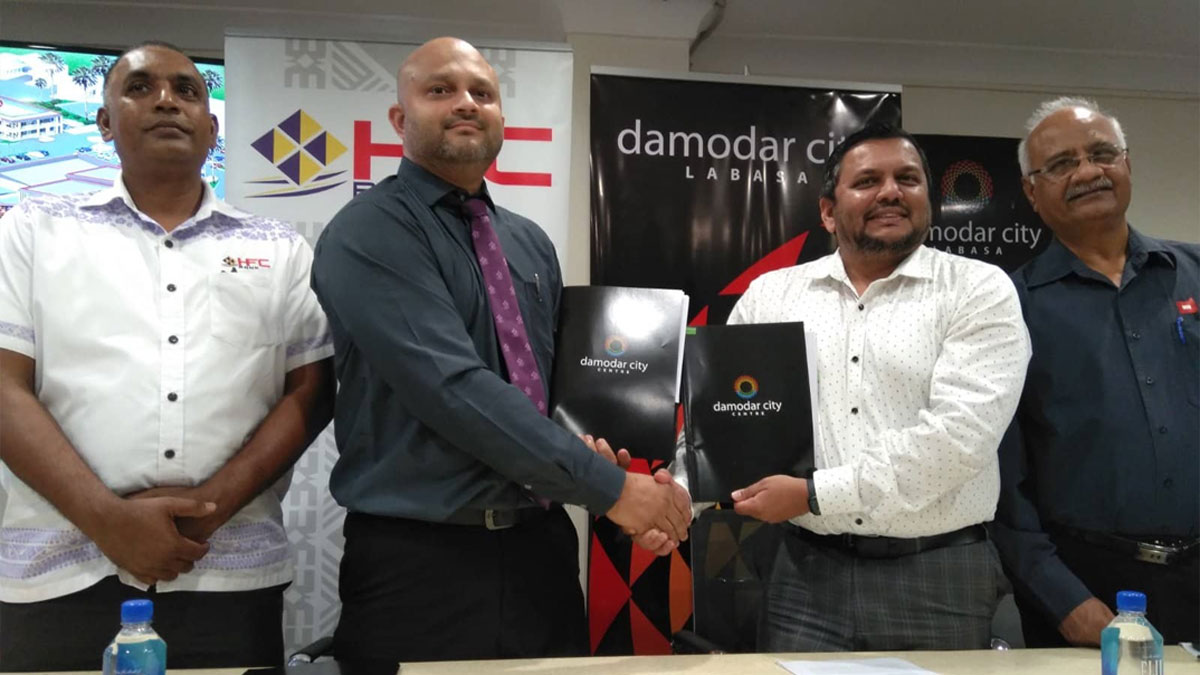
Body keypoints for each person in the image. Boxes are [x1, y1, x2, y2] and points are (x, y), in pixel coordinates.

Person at [309, 37, 690, 663]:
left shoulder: (528, 242)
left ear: (501, 119)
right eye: (441, 90)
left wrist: (609, 466)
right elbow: (452, 388)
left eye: (482, 93)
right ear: (400, 120)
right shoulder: (369, 230)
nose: (466, 103)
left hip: (543, 550)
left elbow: (554, 395)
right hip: (422, 562)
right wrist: (616, 492)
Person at [0, 42, 335, 670]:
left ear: (212, 127)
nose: (166, 102)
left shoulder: (278, 248)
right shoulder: (33, 228)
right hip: (59, 572)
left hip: (226, 573)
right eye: (140, 88)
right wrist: (107, 520)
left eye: (187, 91)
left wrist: (203, 516)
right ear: (104, 122)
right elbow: (4, 386)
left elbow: (310, 393)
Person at [641, 124, 1030, 651]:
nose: (890, 192)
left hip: (938, 574)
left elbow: (956, 442)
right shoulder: (772, 296)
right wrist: (677, 500)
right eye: (867, 181)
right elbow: (723, 422)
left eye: (908, 179)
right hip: (803, 574)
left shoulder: (978, 290)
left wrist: (814, 494)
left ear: (928, 200)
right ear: (828, 211)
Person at [991, 97, 1199, 647]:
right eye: (1062, 164)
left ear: (1127, 164)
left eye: (1102, 154)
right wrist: (1061, 599)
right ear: (1031, 193)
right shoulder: (1007, 306)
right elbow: (1001, 480)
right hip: (1085, 591)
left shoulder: (1195, 275)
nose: (1087, 172)